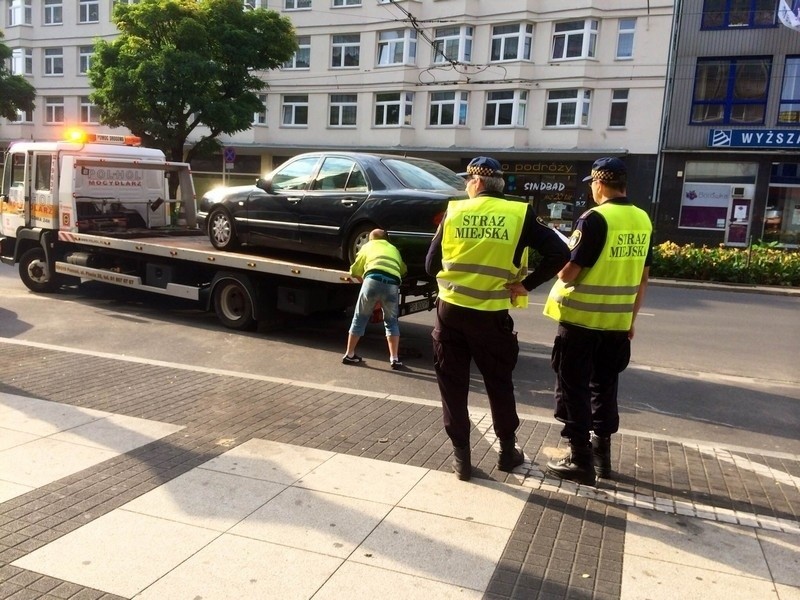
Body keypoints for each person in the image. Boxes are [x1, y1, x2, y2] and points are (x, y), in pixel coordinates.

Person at [426, 156, 570, 481]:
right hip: (491, 316)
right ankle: (507, 452)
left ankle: (461, 458)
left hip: (450, 313)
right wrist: (526, 284)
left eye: (467, 181)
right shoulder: (519, 213)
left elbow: (430, 265)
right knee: (499, 383)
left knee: (453, 385)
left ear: (476, 182)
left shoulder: (454, 211)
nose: (466, 186)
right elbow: (560, 254)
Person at [543, 157, 653, 485]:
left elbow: (570, 272)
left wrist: (561, 254)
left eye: (592, 184)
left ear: (600, 184)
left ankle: (579, 458)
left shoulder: (593, 219)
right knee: (604, 387)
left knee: (572, 387)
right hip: (618, 324)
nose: (592, 189)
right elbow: (643, 279)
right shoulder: (642, 219)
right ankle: (602, 456)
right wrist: (630, 321)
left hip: (580, 321)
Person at [343, 228, 408, 369]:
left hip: (372, 280)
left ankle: (349, 354)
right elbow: (403, 270)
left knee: (360, 318)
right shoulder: (394, 249)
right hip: (392, 283)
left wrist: (365, 283)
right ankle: (394, 359)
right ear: (385, 239)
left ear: (371, 239)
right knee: (391, 321)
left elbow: (354, 271)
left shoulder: (367, 246)